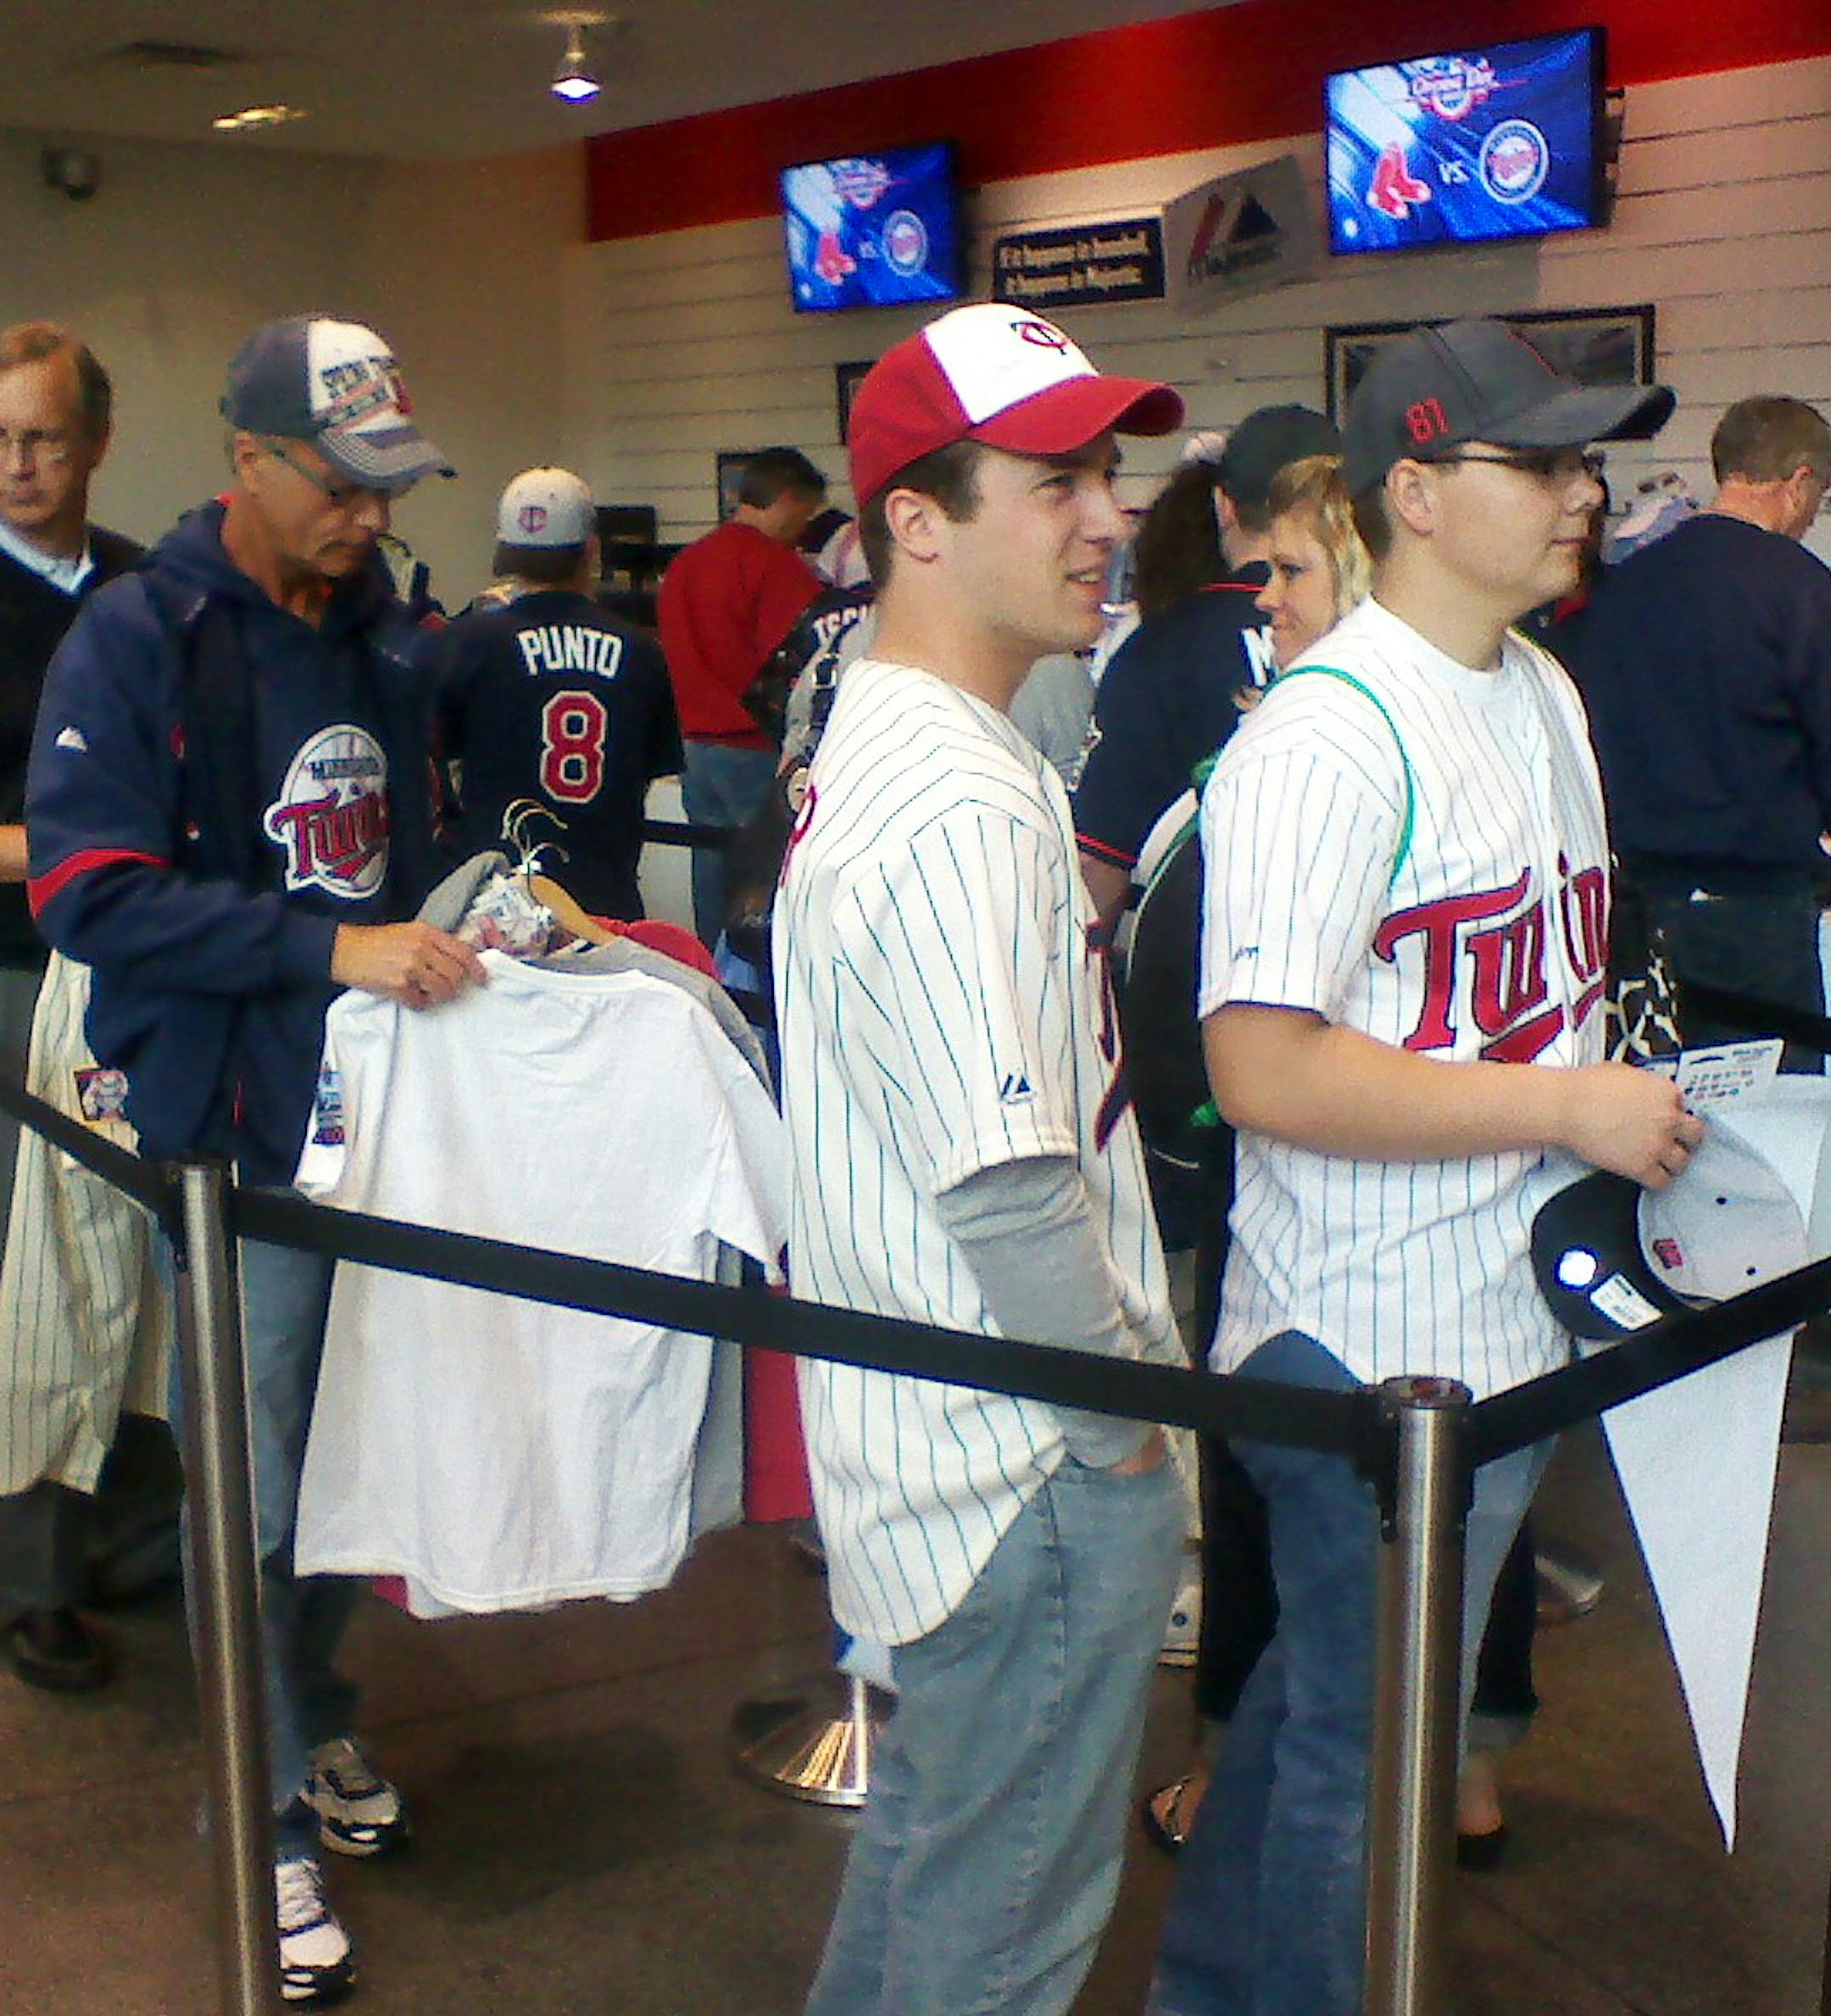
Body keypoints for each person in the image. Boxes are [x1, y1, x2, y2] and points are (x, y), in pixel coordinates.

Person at [1147, 317, 1696, 2016]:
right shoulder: (1324, 733)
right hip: (1362, 1326)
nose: (1584, 493)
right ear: (1415, 489)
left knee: (1343, 1711)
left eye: (1586, 460)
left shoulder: (1540, 688)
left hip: (1503, 1311)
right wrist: (1563, 1108)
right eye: (1537, 463)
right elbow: (1259, 1064)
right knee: (1363, 1758)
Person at [26, 313, 487, 2005]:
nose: (371, 515)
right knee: (258, 1488)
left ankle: (315, 1722)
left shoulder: (388, 633)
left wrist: (482, 909)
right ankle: (266, 1801)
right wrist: (326, 947)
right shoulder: (137, 638)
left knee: (362, 1471)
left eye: (390, 486)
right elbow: (85, 890)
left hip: (397, 1131)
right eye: (340, 485)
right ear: (246, 462)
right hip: (239, 1137)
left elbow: (413, 843)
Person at [775, 301, 1188, 2016]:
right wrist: (1123, 1443)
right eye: (1054, 481)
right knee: (999, 1936)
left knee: (938, 1877)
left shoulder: (911, 741)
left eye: (1106, 473)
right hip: (1016, 1464)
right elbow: (1009, 1187)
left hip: (947, 1451)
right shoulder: (956, 796)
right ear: (917, 523)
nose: (1107, 516)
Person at [0, 319, 170, 1696]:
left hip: (145, 977)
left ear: (95, 441)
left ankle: (132, 1539)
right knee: (31, 1290)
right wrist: (85, 841)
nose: (17, 461)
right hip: (15, 977)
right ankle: (32, 1581)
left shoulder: (146, 590)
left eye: (43, 434)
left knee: (147, 1274)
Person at [1554, 395, 1831, 1066]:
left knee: (1654, 1122)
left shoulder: (1624, 586)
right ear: (1797, 483)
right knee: (1767, 1135)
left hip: (1629, 918)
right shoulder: (1803, 591)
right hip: (1759, 918)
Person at [1073, 404, 1340, 931]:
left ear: (1224, 506)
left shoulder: (1159, 647)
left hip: (1202, 969)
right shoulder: (1385, 638)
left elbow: (1098, 871)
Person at [429, 466, 681, 920]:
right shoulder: (642, 649)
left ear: (506, 552)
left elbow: (435, 760)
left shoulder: (465, 642)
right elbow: (654, 767)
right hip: (606, 898)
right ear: (591, 548)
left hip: (497, 902)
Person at [657, 445, 826, 941]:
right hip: (754, 747)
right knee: (773, 883)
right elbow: (804, 662)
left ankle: (716, 982)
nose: (805, 527)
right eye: (806, 512)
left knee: (709, 880)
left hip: (694, 747)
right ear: (788, 499)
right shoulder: (779, 569)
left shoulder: (685, 563)